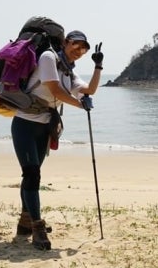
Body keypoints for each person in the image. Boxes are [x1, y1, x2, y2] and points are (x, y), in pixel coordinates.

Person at [12, 29, 103, 250]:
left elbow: (89, 89)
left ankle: (24, 223)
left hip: (44, 127)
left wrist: (98, 66)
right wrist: (81, 104)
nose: (79, 51)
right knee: (32, 175)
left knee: (32, 176)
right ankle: (37, 227)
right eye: (77, 45)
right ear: (65, 42)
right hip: (25, 123)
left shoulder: (68, 71)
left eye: (84, 49)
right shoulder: (48, 58)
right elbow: (54, 90)